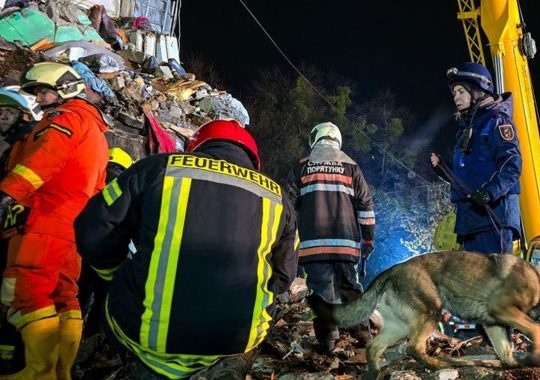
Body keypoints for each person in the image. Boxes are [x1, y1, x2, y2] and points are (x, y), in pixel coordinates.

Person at [74, 119, 298, 379]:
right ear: (253, 159)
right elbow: (284, 276)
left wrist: (116, 275)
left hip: (145, 335)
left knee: (111, 309)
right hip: (234, 340)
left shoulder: (158, 168)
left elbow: (92, 231)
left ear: (197, 147)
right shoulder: (279, 198)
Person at [0, 62, 109, 380]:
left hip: (44, 218)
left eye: (44, 92)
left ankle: (39, 373)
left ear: (65, 89)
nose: (38, 100)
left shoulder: (66, 118)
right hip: (71, 228)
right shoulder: (97, 132)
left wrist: (7, 193)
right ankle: (61, 372)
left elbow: (45, 159)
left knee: (26, 289)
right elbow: (97, 187)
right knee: (63, 296)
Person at [294, 122, 375, 354]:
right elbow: (366, 208)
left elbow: (289, 205)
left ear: (315, 139)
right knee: (350, 288)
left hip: (313, 247)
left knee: (322, 293)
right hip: (347, 246)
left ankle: (328, 342)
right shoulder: (352, 168)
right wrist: (368, 240)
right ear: (337, 140)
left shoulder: (302, 166)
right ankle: (363, 334)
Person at [430, 62, 522, 254]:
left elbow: (512, 165)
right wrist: (444, 169)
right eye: (454, 93)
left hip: (493, 218)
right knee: (472, 284)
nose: (456, 97)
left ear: (478, 91)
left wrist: (489, 192)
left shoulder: (497, 121)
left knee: (495, 282)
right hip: (470, 222)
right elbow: (469, 177)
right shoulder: (467, 128)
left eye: (461, 91)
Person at [0, 88, 40, 374]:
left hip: (25, 237)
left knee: (15, 300)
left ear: (25, 115)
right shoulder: (13, 146)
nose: (2, 117)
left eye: (9, 112)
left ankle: (13, 361)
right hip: (12, 233)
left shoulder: (31, 145)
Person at [77, 147, 133, 339]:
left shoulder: (91, 178)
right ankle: (86, 338)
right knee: (101, 301)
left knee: (76, 295)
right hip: (109, 256)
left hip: (79, 249)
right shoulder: (126, 188)